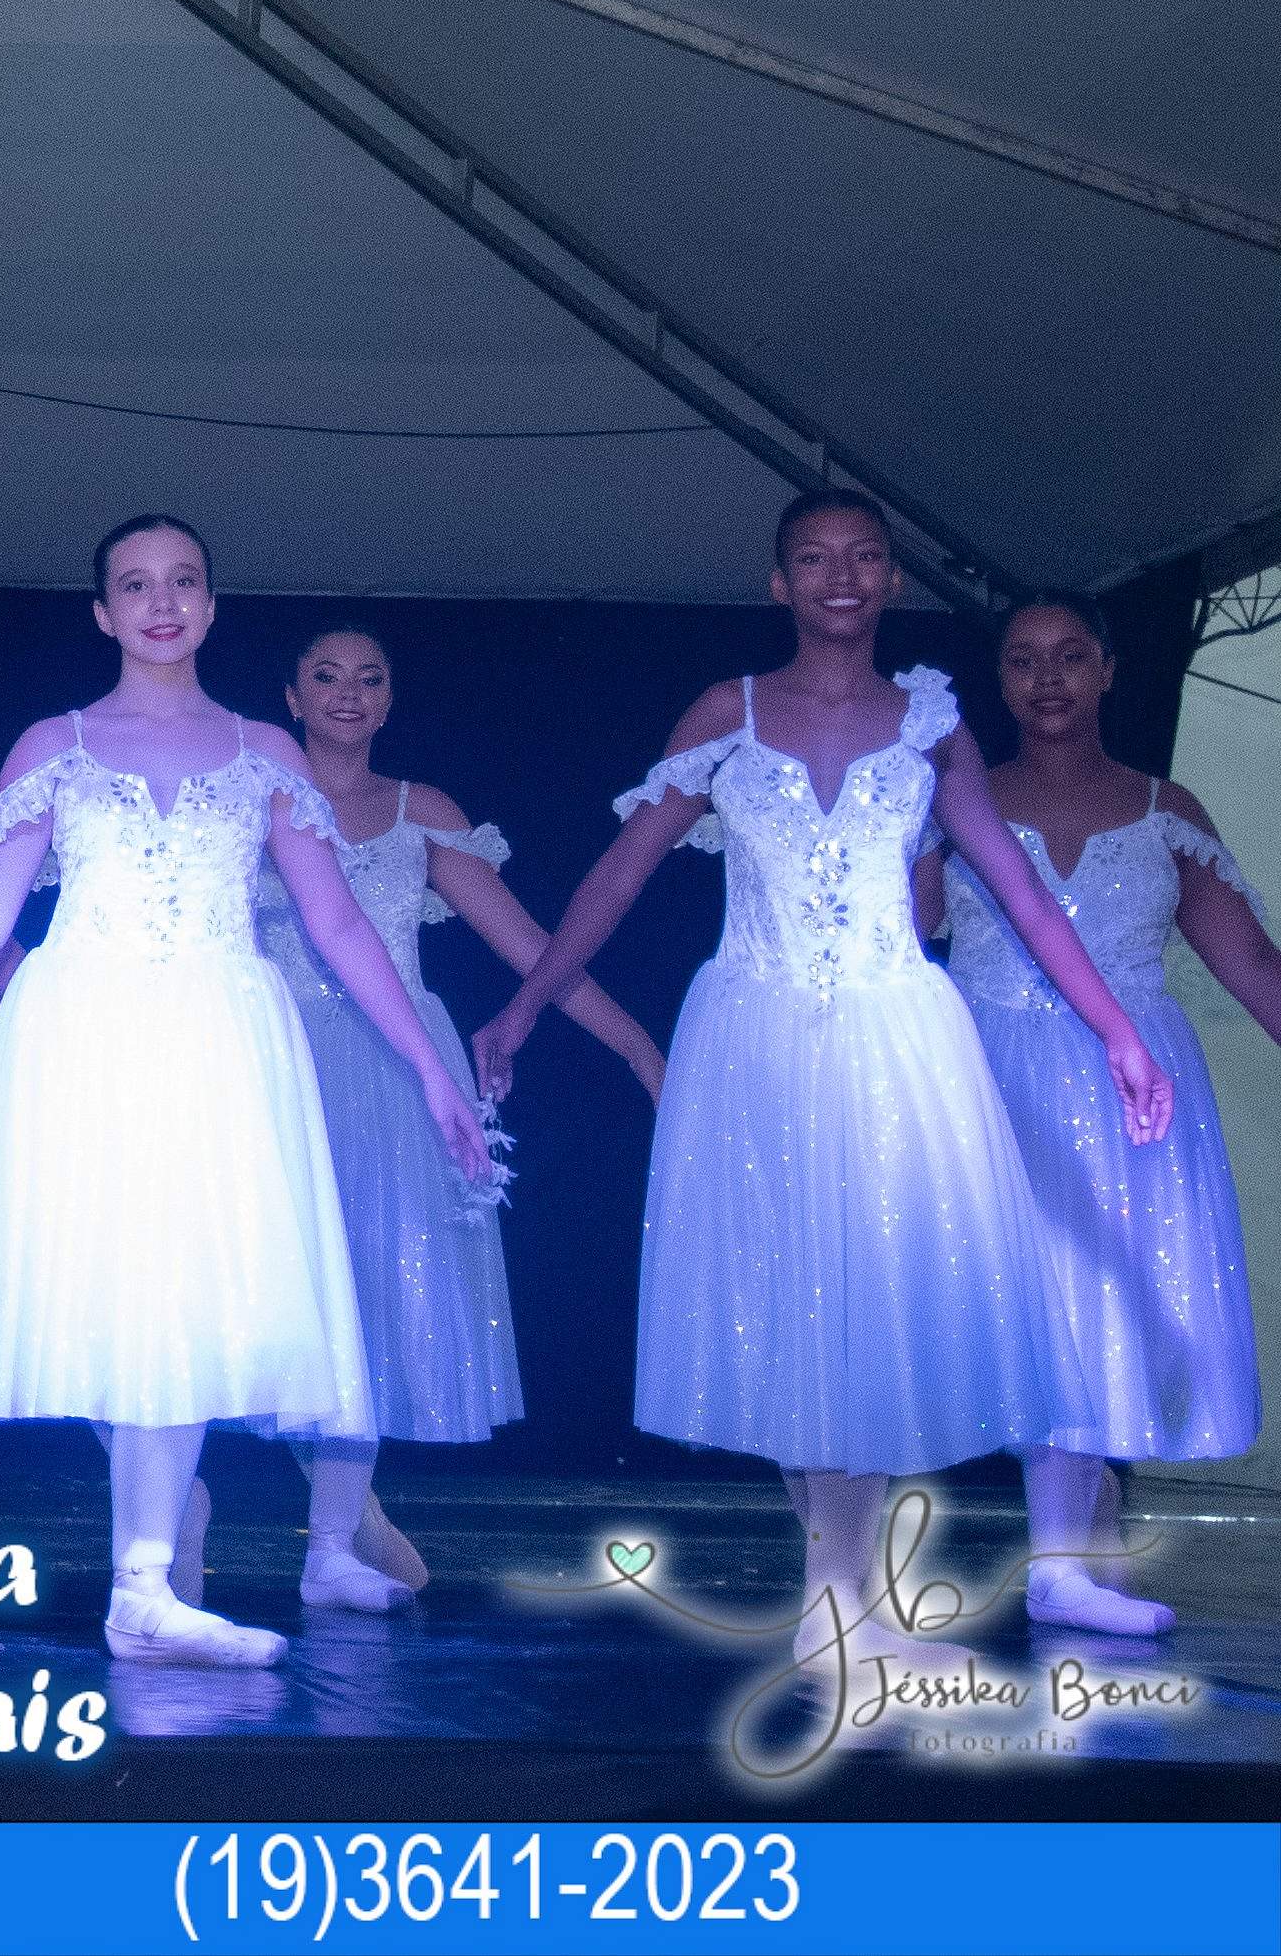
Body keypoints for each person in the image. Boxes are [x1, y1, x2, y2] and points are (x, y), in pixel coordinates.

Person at [474, 493, 1172, 1669]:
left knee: (868, 1300)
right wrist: (526, 1001)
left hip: (893, 1033)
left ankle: (838, 1609)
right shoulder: (727, 713)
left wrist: (1115, 1029)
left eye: (863, 557)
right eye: (814, 558)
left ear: (892, 578)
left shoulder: (931, 721)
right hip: (754, 1035)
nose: (840, 575)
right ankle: (837, 1606)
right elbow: (620, 871)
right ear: (778, 582)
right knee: (796, 1304)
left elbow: (1013, 885)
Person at [0, 515, 490, 1669]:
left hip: (218, 1039)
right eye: (135, 584)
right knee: (111, 1288)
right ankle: (145, 1569)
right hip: (86, 1033)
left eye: (182, 580)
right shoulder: (55, 746)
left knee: (184, 1287)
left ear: (211, 604)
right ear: (103, 611)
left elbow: (336, 922)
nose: (161, 601)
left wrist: (432, 1067)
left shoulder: (262, 753)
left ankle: (141, 1586)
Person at [250, 626, 666, 1602]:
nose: (348, 692)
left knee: (368, 1293)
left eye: (370, 678)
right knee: (266, 1287)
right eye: (325, 676)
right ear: (292, 697)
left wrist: (636, 1045)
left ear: (389, 701)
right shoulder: (249, 800)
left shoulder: (420, 812)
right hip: (272, 1063)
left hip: (394, 1074)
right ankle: (329, 1508)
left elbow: (530, 944)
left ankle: (330, 1544)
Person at [920, 593, 1274, 1635]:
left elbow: (1253, 962)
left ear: (1110, 670)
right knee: (1031, 1308)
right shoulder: (955, 799)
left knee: (1094, 1309)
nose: (1047, 678)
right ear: (997, 679)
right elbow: (904, 930)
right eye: (1023, 659)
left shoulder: (1166, 809)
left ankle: (1068, 1550)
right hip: (995, 1076)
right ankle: (1066, 1553)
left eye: (1071, 655)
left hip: (1132, 1093)